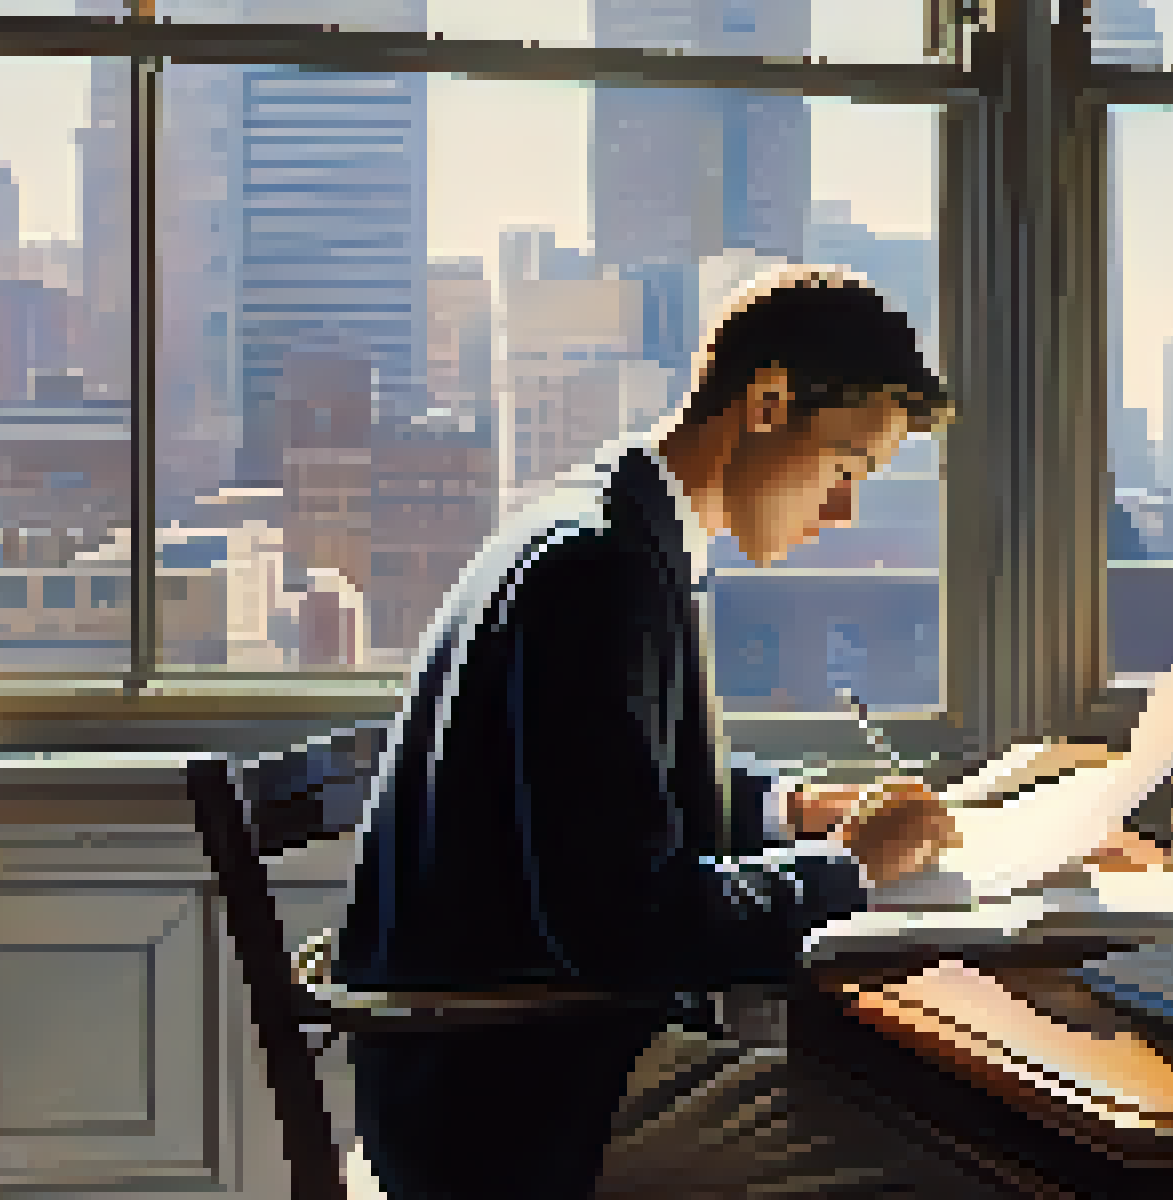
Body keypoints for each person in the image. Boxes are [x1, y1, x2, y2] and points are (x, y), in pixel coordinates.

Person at [277, 267, 1001, 1198]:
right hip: (524, 1099)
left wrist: (787, 809)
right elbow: (624, 923)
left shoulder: (598, 529)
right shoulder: (602, 570)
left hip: (489, 1065)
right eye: (846, 467)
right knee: (950, 1170)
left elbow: (597, 782)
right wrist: (851, 868)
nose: (844, 511)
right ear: (768, 401)